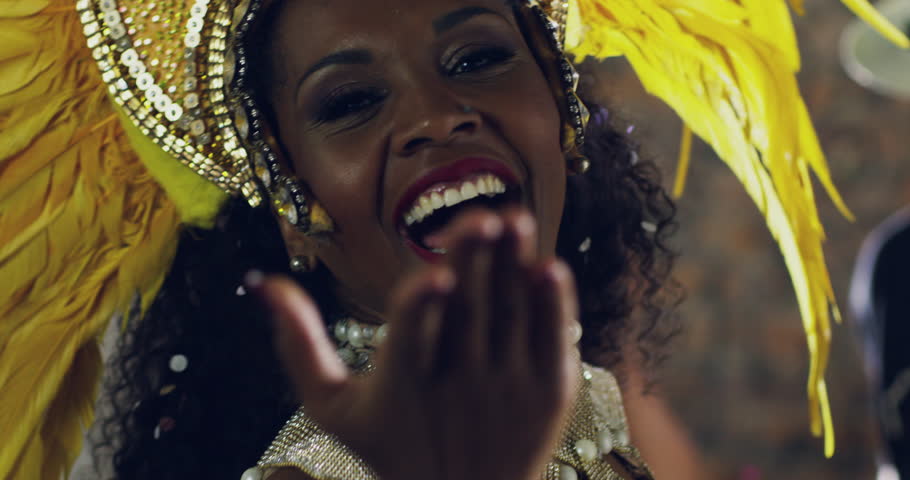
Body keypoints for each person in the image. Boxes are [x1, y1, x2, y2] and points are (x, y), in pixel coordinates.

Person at [1, 1, 907, 479]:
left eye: (477, 58)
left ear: (561, 116)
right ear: (293, 204)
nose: (437, 115)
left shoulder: (587, 407)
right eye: (351, 101)